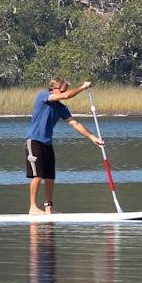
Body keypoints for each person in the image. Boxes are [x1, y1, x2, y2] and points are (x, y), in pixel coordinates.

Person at [25, 77, 103, 214]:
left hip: (47, 143)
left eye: (65, 90)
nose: (64, 93)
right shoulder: (43, 96)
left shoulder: (61, 108)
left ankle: (48, 208)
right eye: (63, 90)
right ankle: (32, 207)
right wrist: (83, 87)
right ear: (54, 88)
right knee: (38, 175)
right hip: (34, 141)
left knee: (50, 177)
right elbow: (66, 96)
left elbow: (75, 124)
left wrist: (92, 137)